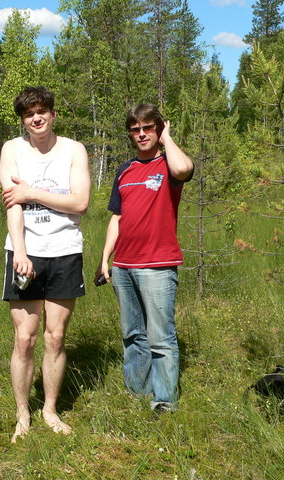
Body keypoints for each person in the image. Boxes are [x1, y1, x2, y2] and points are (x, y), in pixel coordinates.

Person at [0, 86, 90, 442]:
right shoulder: (12, 150)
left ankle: (49, 409)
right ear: (23, 120)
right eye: (28, 114)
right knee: (25, 338)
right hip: (25, 252)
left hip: (65, 251)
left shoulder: (73, 150)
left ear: (53, 114)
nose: (36, 118)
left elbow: (80, 202)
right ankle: (23, 412)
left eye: (42, 111)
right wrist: (20, 252)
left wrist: (32, 191)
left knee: (56, 336)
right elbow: (13, 205)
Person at [95, 104, 193, 413]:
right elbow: (117, 218)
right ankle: (137, 391)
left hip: (157, 265)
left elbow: (184, 170)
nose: (141, 134)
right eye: (135, 129)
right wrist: (104, 260)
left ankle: (163, 400)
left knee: (160, 338)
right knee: (132, 334)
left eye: (148, 128)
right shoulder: (125, 170)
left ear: (158, 129)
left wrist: (167, 138)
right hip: (123, 266)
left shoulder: (167, 165)